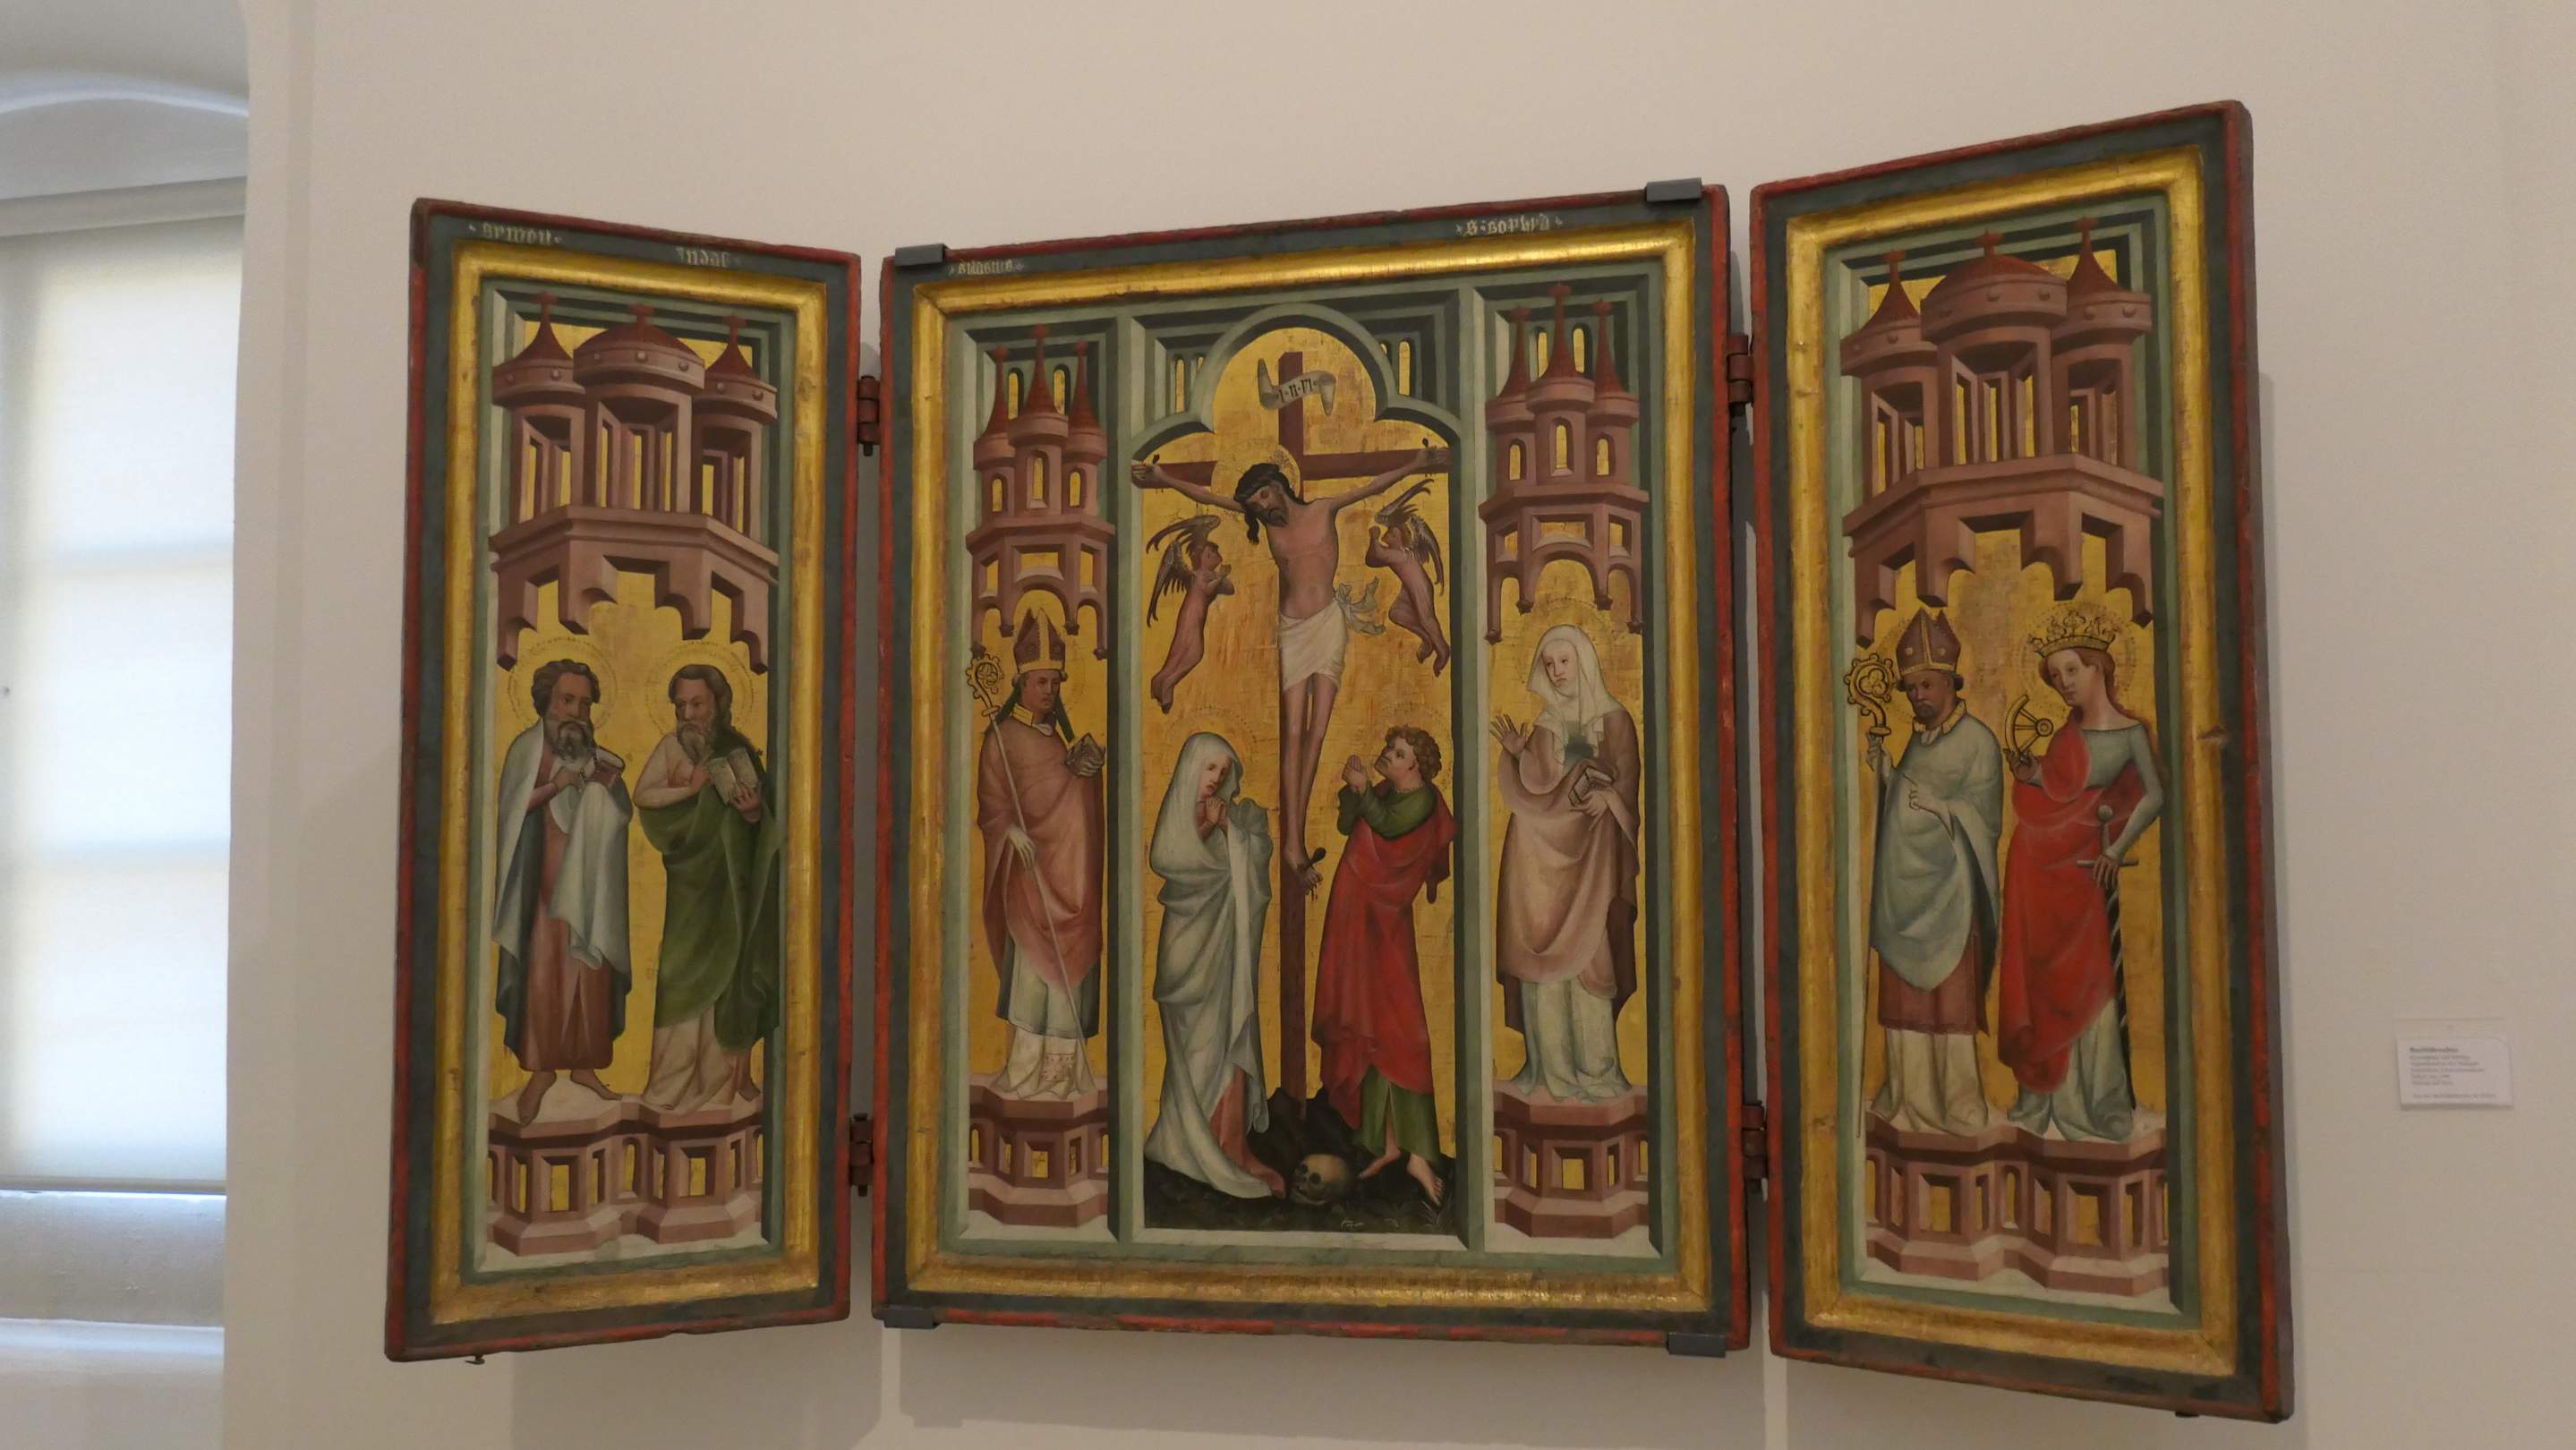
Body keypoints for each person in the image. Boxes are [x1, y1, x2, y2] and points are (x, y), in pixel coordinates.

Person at [1132, 445, 1449, 891]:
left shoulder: (1323, 509)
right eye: (1255, 504)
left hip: (1328, 625)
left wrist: (1416, 464)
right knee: (1293, 734)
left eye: (1264, 496)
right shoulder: (1267, 526)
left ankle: (1296, 837)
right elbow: (1210, 498)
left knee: (1317, 733)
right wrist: (1163, 479)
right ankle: (1293, 842)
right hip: (1294, 631)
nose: (1261, 507)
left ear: (1279, 486)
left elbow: (1372, 486)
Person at [1998, 610, 2164, 1141]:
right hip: (2037, 869)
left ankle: (2098, 1101)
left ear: (2099, 667)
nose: (2064, 683)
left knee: (2089, 975)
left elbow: (2155, 796)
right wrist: (2030, 774)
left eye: (2071, 670)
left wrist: (2116, 848)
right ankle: (2046, 1101)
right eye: (2055, 676)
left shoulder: (2131, 733)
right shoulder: (2064, 737)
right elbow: (2054, 790)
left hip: (2085, 869)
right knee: (2042, 979)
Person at [1863, 610, 2003, 1136]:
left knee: (1950, 1004)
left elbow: (1985, 819)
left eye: (1926, 685)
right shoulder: (1917, 743)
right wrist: (1885, 773)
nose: (1917, 696)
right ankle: (1909, 1098)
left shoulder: (1978, 741)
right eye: (1910, 689)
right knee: (1906, 1004)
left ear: (1950, 682)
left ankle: (1960, 1107)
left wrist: (1945, 808)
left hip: (1952, 898)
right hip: (1904, 898)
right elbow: (1904, 807)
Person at [1490, 624, 1639, 1103]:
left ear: (1584, 662)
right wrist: (1518, 756)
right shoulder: (1547, 724)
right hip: (1541, 860)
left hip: (1593, 859)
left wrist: (1610, 799)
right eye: (1549, 664)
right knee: (1540, 959)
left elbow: (1628, 780)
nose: (1556, 672)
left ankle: (1597, 1073)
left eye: (1564, 661)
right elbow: (1536, 788)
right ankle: (1550, 1072)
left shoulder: (1614, 721)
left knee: (1592, 958)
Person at [1310, 725, 1457, 1205]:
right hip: (1359, 917)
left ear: (1416, 764)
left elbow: (1390, 828)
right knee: (1368, 1027)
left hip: (1383, 923)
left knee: (1400, 1031)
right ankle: (1388, 1143)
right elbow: (1347, 826)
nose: (1387, 755)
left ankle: (1419, 1152)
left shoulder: (1422, 800)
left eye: (1398, 752)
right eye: (1389, 748)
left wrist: (1362, 794)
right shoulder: (1385, 791)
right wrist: (1354, 793)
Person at [633, 663, 779, 1114]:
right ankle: (669, 1088)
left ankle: (721, 1085)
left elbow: (765, 826)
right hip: (691, 884)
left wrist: (753, 813)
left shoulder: (738, 749)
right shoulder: (671, 746)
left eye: (697, 704)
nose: (688, 714)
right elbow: (644, 797)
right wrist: (690, 790)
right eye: (680, 705)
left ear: (718, 703)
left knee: (731, 974)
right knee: (680, 974)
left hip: (730, 885)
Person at [490, 659, 633, 1123]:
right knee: (546, 972)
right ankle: (541, 1072)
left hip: (590, 888)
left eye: (585, 704)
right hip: (544, 886)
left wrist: (609, 790)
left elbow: (619, 816)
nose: (577, 712)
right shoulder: (527, 750)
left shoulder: (594, 752)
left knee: (591, 975)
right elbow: (511, 813)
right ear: (546, 702)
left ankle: (585, 1066)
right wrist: (556, 785)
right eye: (567, 700)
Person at [1141, 733, 1283, 1198]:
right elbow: (1170, 860)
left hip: (1226, 951)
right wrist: (1208, 827)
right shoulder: (1179, 820)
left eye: (1223, 771)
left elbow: (1257, 856)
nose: (1217, 779)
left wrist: (1227, 829)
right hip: (1187, 954)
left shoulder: (1235, 817)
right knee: (1193, 1050)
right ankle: (1186, 1142)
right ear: (1190, 769)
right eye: (1209, 768)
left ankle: (1230, 1145)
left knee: (1230, 1039)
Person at [975, 613, 1106, 1099]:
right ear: (1021, 684)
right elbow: (992, 804)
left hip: (1073, 878)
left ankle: (1063, 1076)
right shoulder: (1002, 738)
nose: (1049, 690)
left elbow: (1072, 805)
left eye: (1055, 682)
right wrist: (1009, 830)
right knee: (1032, 973)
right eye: (1041, 682)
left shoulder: (1059, 741)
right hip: (1029, 878)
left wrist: (1088, 775)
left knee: (1071, 975)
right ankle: (1026, 1071)